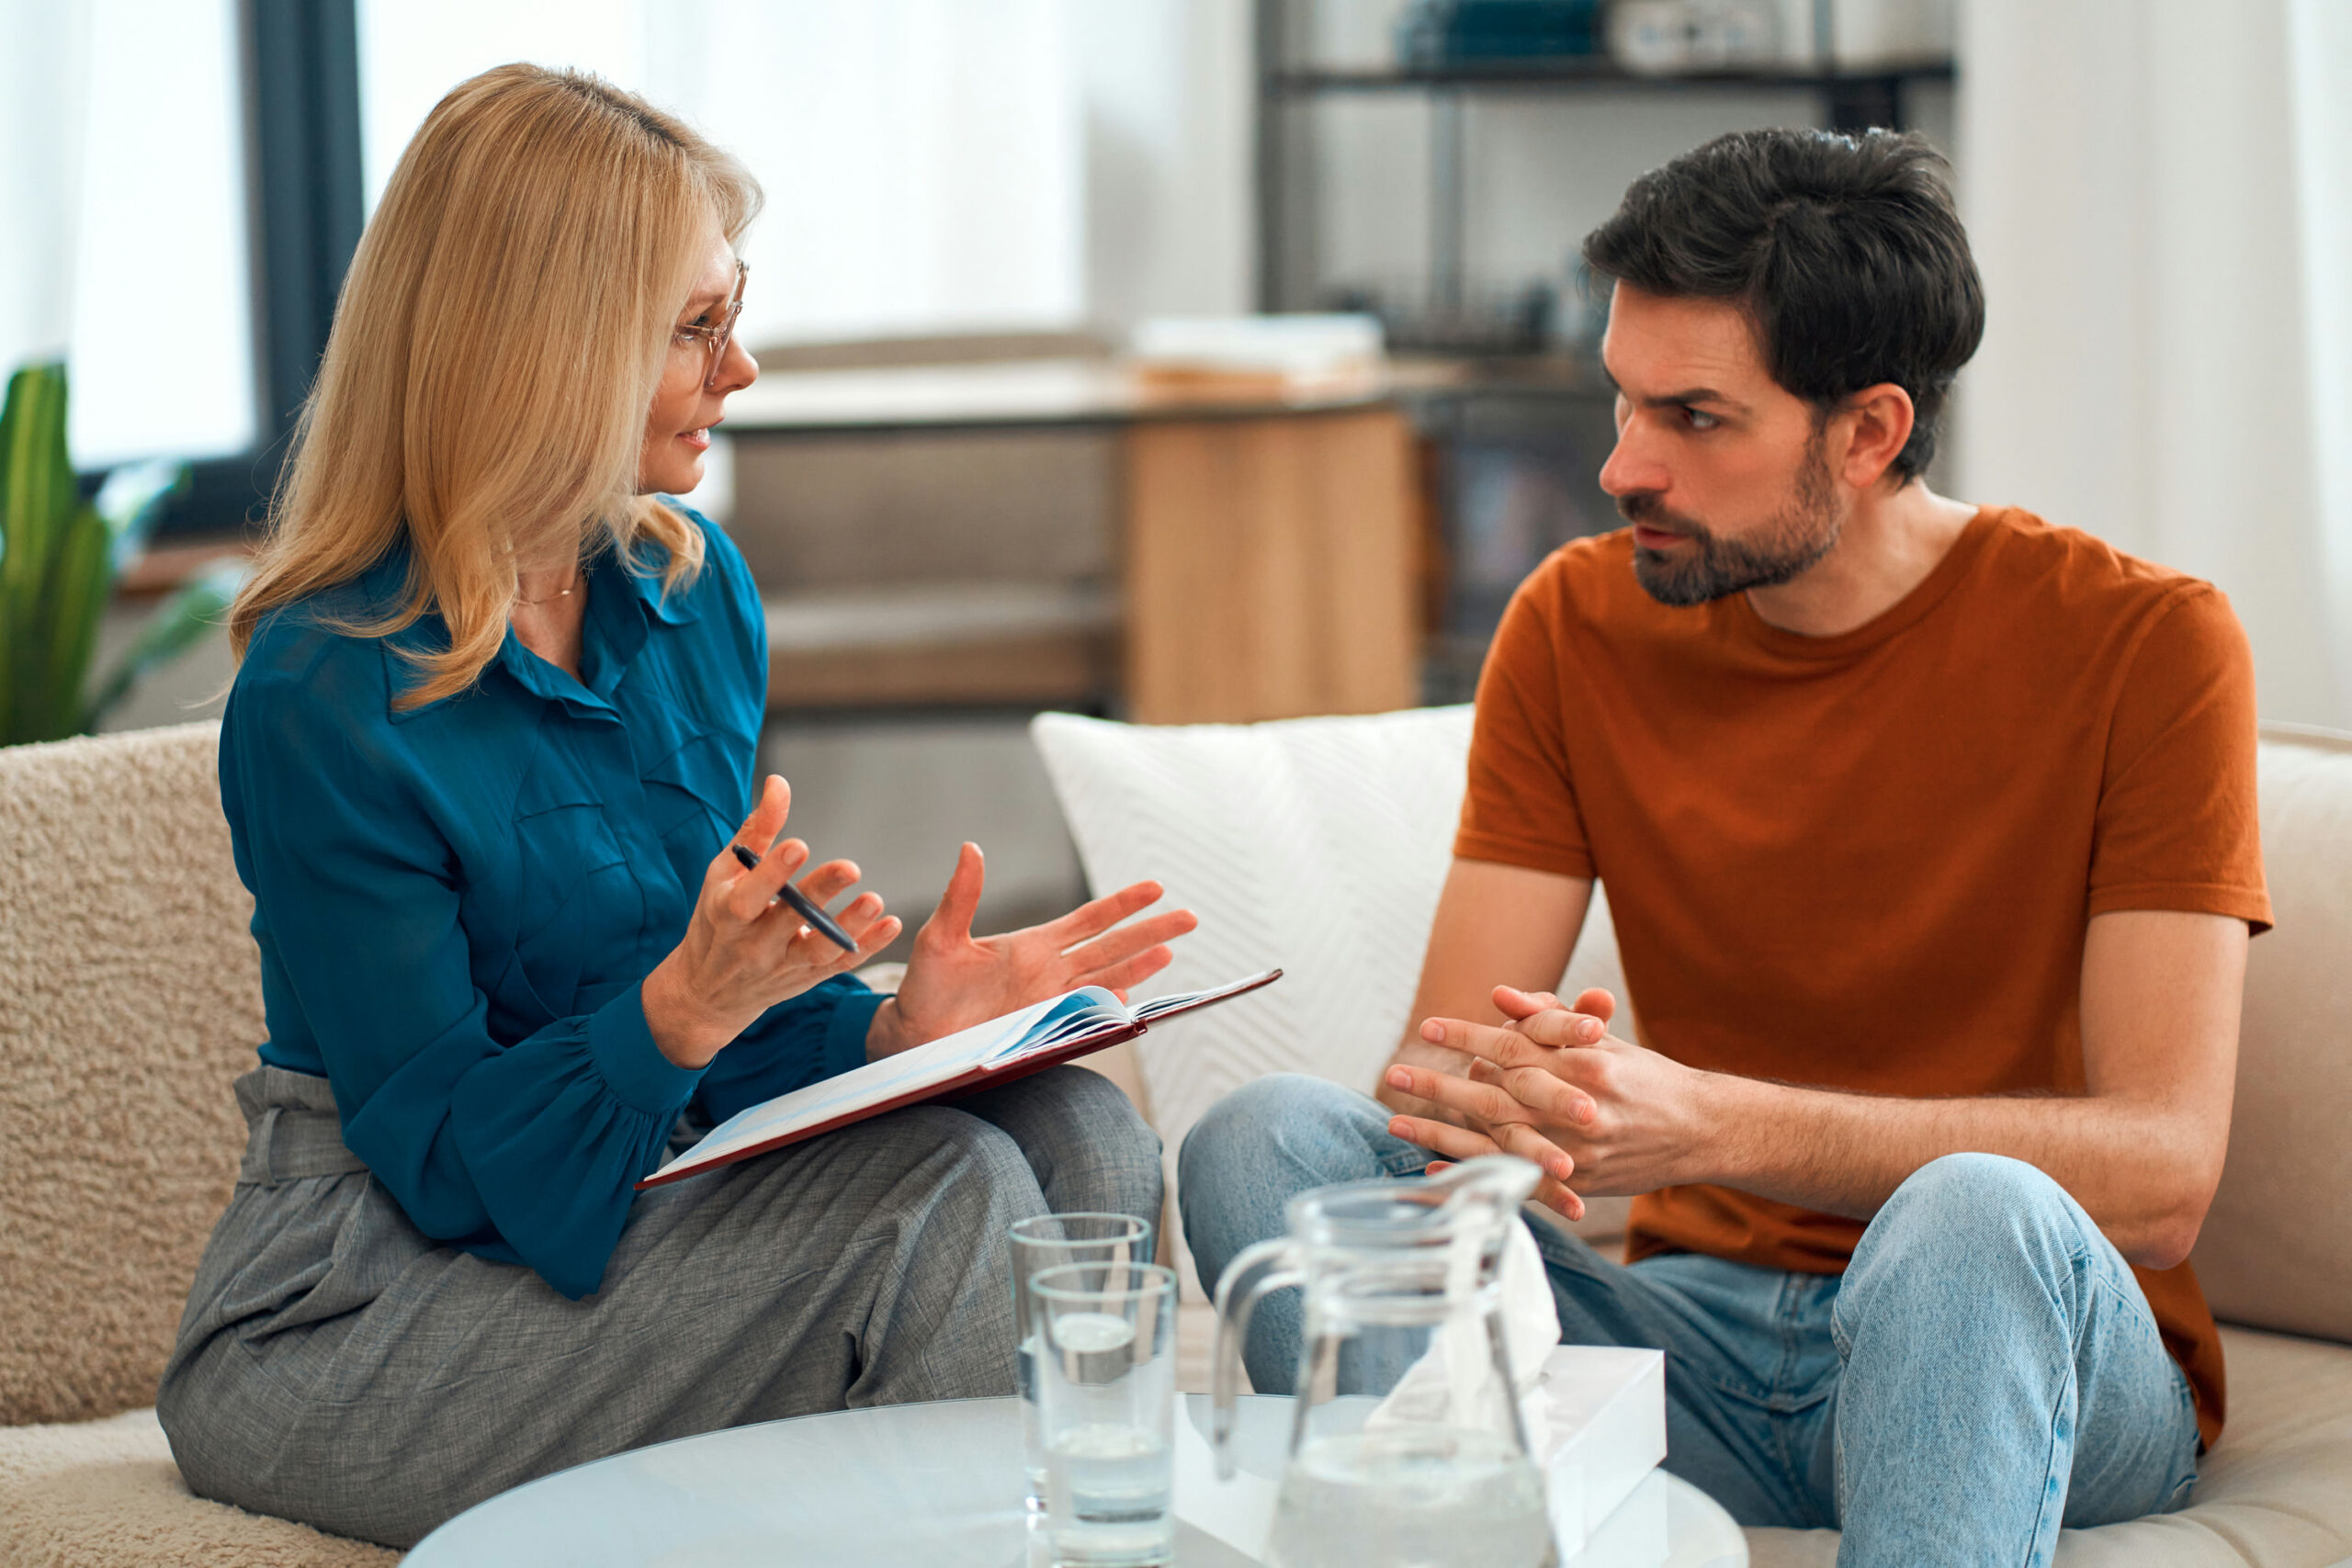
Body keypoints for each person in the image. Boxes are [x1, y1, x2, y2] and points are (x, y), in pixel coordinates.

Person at [1181, 127, 2267, 1565]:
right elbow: (1439, 1094)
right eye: (1621, 401)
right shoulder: (1575, 626)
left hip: (2024, 1349)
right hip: (1686, 1345)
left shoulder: (2145, 644)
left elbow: (2162, 1177)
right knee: (1266, 1144)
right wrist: (1519, 1113)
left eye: (1694, 419)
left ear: (1869, 432)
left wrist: (1706, 1124)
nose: (1624, 465)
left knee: (1973, 1215)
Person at [157, 65, 1191, 1549]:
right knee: (944, 1199)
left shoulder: (694, 599)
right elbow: (445, 1158)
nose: (741, 369)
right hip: (366, 1293)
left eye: (735, 312)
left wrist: (891, 1027)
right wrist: (682, 1015)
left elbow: (698, 1040)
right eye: (696, 329)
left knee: (1082, 1140)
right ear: (544, 349)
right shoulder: (328, 693)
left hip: (632, 1200)